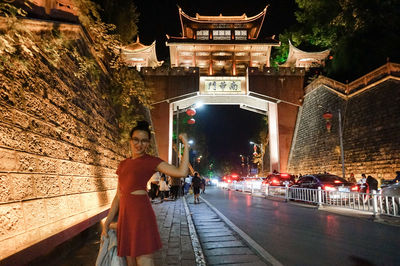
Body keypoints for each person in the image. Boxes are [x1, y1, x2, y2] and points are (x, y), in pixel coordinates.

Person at [101, 121, 189, 266]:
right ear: (130, 140)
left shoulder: (150, 161)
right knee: (129, 260)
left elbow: (181, 172)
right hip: (125, 216)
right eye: (136, 139)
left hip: (140, 214)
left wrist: (186, 146)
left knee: (144, 259)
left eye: (143, 141)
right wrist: (108, 221)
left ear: (148, 143)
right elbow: (118, 195)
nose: (139, 144)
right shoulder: (123, 164)